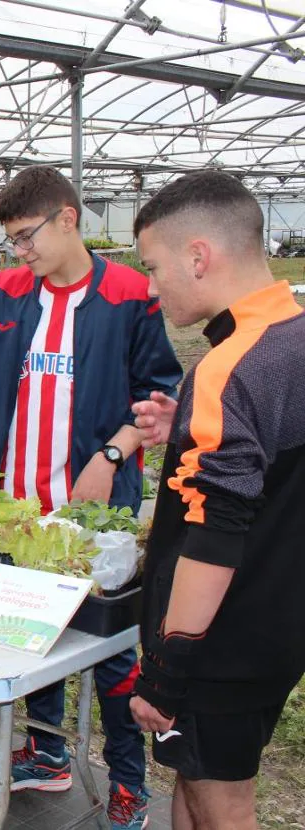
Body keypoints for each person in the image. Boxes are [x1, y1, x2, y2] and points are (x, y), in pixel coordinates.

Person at [0, 165, 183, 830]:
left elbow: (157, 395)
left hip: (91, 513)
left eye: (28, 237)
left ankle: (128, 782)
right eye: (12, 243)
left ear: (67, 218)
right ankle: (49, 753)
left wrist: (109, 456)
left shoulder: (128, 296)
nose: (20, 253)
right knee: (28, 636)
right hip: (13, 510)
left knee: (110, 652)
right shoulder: (5, 292)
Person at [128, 170, 305, 830]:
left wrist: (168, 672)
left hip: (218, 645)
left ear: (198, 255)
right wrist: (192, 428)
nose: (151, 286)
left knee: (225, 807)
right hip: (277, 627)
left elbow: (213, 537)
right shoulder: (292, 334)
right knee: (195, 784)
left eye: (153, 266)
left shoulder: (228, 368)